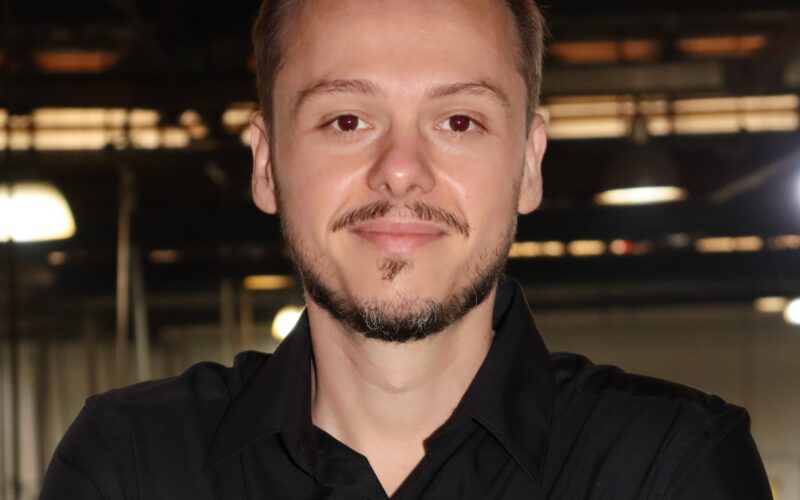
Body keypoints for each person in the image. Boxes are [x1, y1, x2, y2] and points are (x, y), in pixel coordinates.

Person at [41, 0, 773, 498]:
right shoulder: (129, 466)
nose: (400, 169)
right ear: (265, 164)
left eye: (458, 121)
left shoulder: (671, 468)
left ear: (528, 164)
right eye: (347, 120)